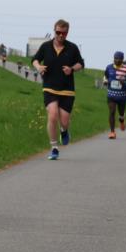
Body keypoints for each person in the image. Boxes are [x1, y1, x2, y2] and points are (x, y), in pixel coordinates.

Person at [32, 19, 85, 160]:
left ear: (67, 33)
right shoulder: (46, 46)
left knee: (65, 121)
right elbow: (35, 59)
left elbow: (81, 63)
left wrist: (72, 69)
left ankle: (64, 130)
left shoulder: (72, 48)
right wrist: (38, 67)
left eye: (64, 33)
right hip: (49, 87)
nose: (61, 35)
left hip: (67, 90)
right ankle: (54, 147)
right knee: (53, 115)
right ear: (54, 31)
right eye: (58, 32)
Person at [103, 51, 126, 139]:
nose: (117, 60)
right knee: (112, 112)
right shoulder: (109, 67)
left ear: (122, 59)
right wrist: (105, 81)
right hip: (111, 95)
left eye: (119, 59)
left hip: (122, 96)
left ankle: (122, 120)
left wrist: (125, 82)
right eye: (116, 58)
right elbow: (105, 76)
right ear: (113, 58)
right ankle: (112, 132)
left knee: (121, 113)